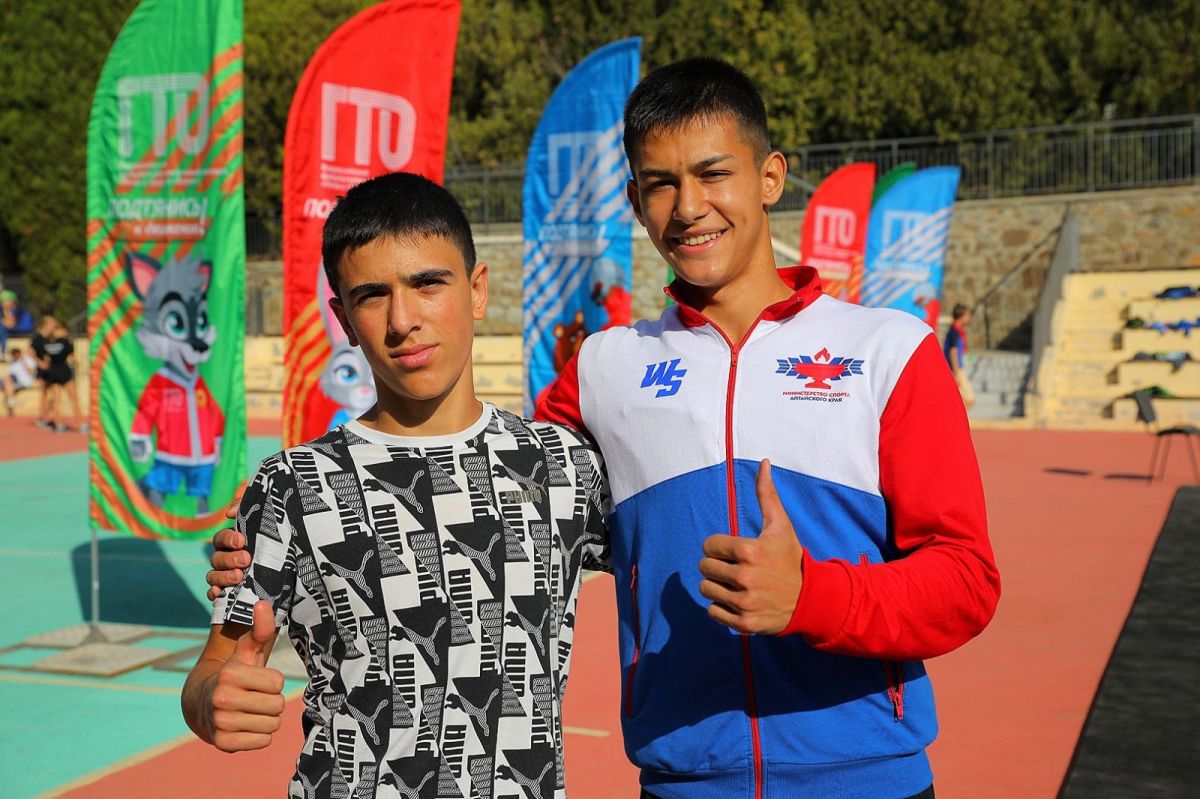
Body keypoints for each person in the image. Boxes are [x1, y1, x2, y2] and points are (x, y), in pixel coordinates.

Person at [209, 60, 1000, 799]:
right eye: (660, 184)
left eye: (713, 174)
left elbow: (966, 580)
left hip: (868, 777)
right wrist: (271, 540)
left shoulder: (887, 351)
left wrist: (811, 598)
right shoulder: (605, 368)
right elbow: (480, 475)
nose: (688, 207)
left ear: (770, 176)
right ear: (634, 199)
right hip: (683, 779)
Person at [182, 172, 610, 799]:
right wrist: (210, 703)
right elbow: (213, 668)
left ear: (478, 289)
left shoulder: (565, 466)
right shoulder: (291, 486)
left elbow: (676, 565)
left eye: (427, 283)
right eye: (372, 295)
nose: (403, 320)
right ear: (344, 319)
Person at [32, 316, 76, 432]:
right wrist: (41, 363)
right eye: (51, 324)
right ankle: (43, 418)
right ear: (45, 325)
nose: (53, 326)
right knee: (46, 396)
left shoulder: (51, 338)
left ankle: (48, 418)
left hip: (52, 370)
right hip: (44, 371)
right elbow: (31, 352)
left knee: (52, 397)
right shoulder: (39, 338)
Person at [944, 303, 975, 411]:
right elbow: (953, 352)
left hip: (957, 368)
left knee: (961, 401)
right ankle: (958, 420)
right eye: (967, 315)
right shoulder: (954, 332)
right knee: (969, 399)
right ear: (961, 316)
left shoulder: (957, 331)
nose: (969, 318)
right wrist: (956, 373)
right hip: (956, 369)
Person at [2, 347, 38, 415]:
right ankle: (11, 403)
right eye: (13, 354)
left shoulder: (28, 360)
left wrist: (23, 362)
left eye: (16, 353)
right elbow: (9, 374)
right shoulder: (11, 362)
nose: (15, 355)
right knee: (7, 381)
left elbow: (32, 372)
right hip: (13, 381)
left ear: (20, 353)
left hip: (24, 382)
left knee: (8, 382)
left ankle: (10, 404)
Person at [1, 288, 35, 356]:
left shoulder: (22, 313)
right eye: (4, 301)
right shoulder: (1, 313)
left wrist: (12, 326)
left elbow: (28, 327)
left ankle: (3, 352)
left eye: (9, 301)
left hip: (19, 337)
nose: (7, 304)